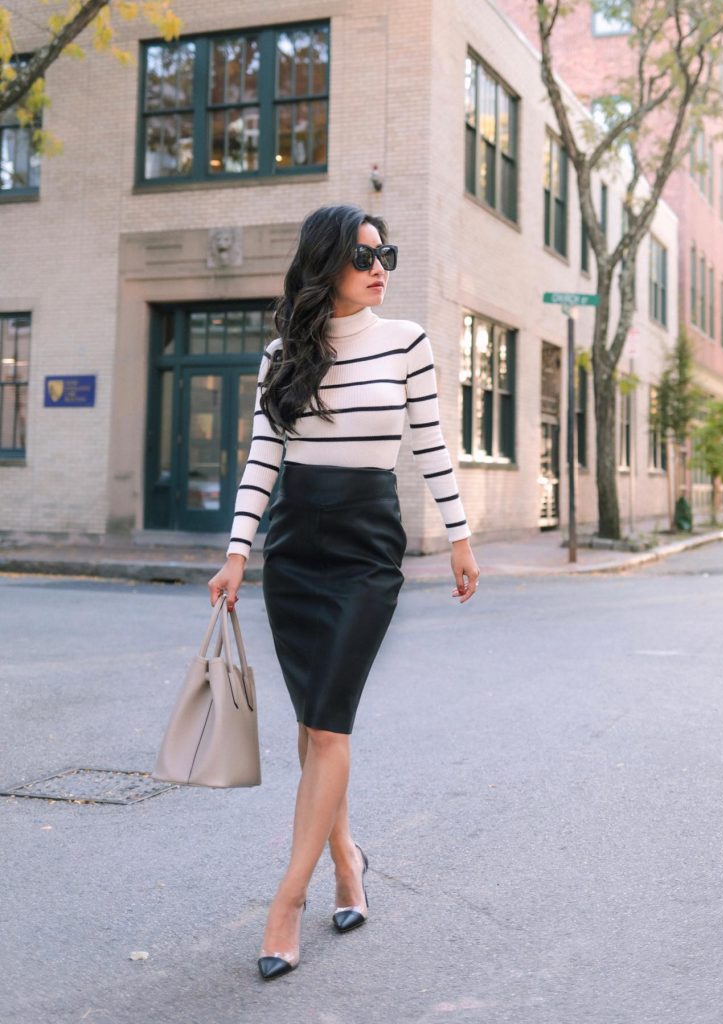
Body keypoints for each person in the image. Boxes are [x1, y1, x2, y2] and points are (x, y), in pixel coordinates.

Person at [207, 204, 480, 981]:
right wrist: (237, 554)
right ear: (325, 264)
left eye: (384, 251)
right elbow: (262, 460)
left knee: (329, 727)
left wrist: (459, 536)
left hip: (365, 548)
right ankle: (347, 860)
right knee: (313, 727)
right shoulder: (282, 354)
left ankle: (285, 902)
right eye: (363, 255)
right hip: (294, 548)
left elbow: (430, 443)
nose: (379, 265)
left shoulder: (407, 344)